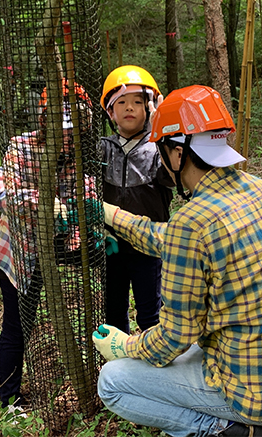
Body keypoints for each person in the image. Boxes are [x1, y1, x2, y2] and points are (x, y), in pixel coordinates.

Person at [92, 85, 262, 437]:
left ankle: (232, 430)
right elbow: (167, 240)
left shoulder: (193, 223)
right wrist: (109, 213)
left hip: (255, 393)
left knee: (112, 381)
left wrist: (124, 345)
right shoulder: (260, 189)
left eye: (161, 152)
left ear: (177, 154)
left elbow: (174, 338)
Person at [0, 81, 100, 409]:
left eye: (75, 126)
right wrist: (42, 201)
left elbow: (88, 191)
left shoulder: (80, 155)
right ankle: (10, 400)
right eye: (61, 125)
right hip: (20, 254)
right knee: (17, 325)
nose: (68, 135)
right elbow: (1, 193)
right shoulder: (21, 147)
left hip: (60, 247)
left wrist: (83, 222)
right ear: (44, 120)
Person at [99, 66, 173, 334]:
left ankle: (153, 363)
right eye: (122, 102)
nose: (130, 108)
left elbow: (171, 177)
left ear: (150, 107)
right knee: (113, 311)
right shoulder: (102, 147)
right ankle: (120, 362)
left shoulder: (159, 148)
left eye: (138, 102)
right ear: (110, 111)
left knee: (151, 312)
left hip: (150, 247)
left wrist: (161, 130)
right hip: (111, 247)